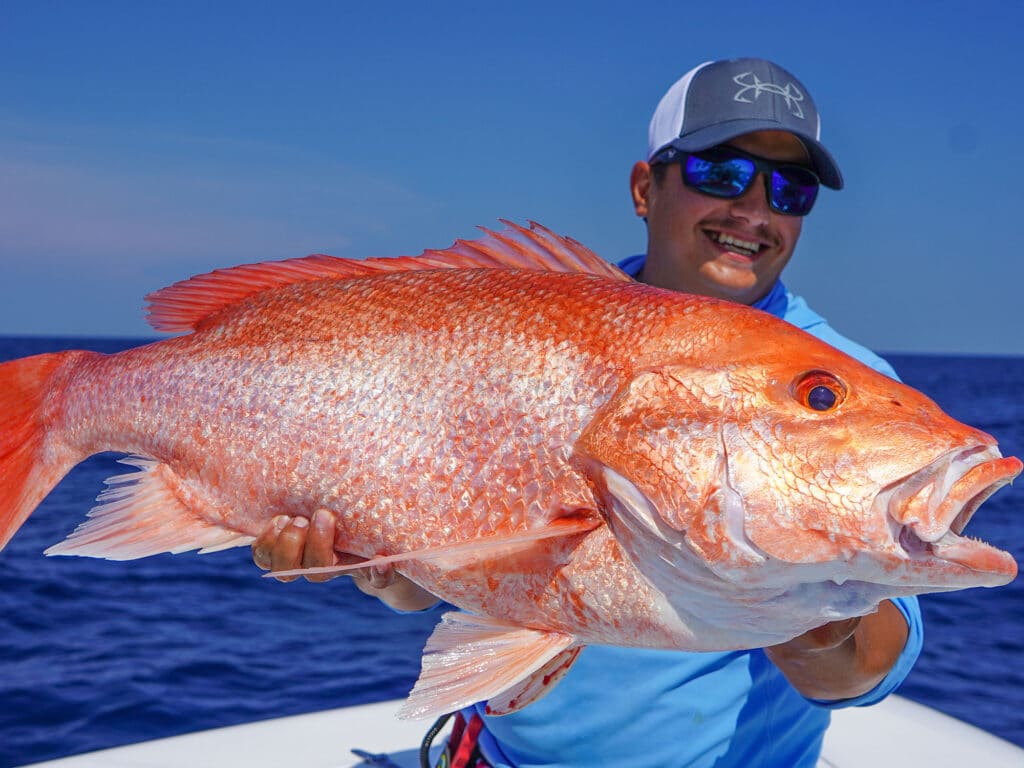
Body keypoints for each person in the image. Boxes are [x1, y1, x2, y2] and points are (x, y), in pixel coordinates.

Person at [251, 57, 923, 767]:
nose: (755, 211)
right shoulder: (526, 322)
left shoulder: (850, 388)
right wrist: (384, 566)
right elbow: (440, 581)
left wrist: (803, 594)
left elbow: (859, 672)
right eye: (721, 173)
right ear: (645, 188)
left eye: (791, 188)